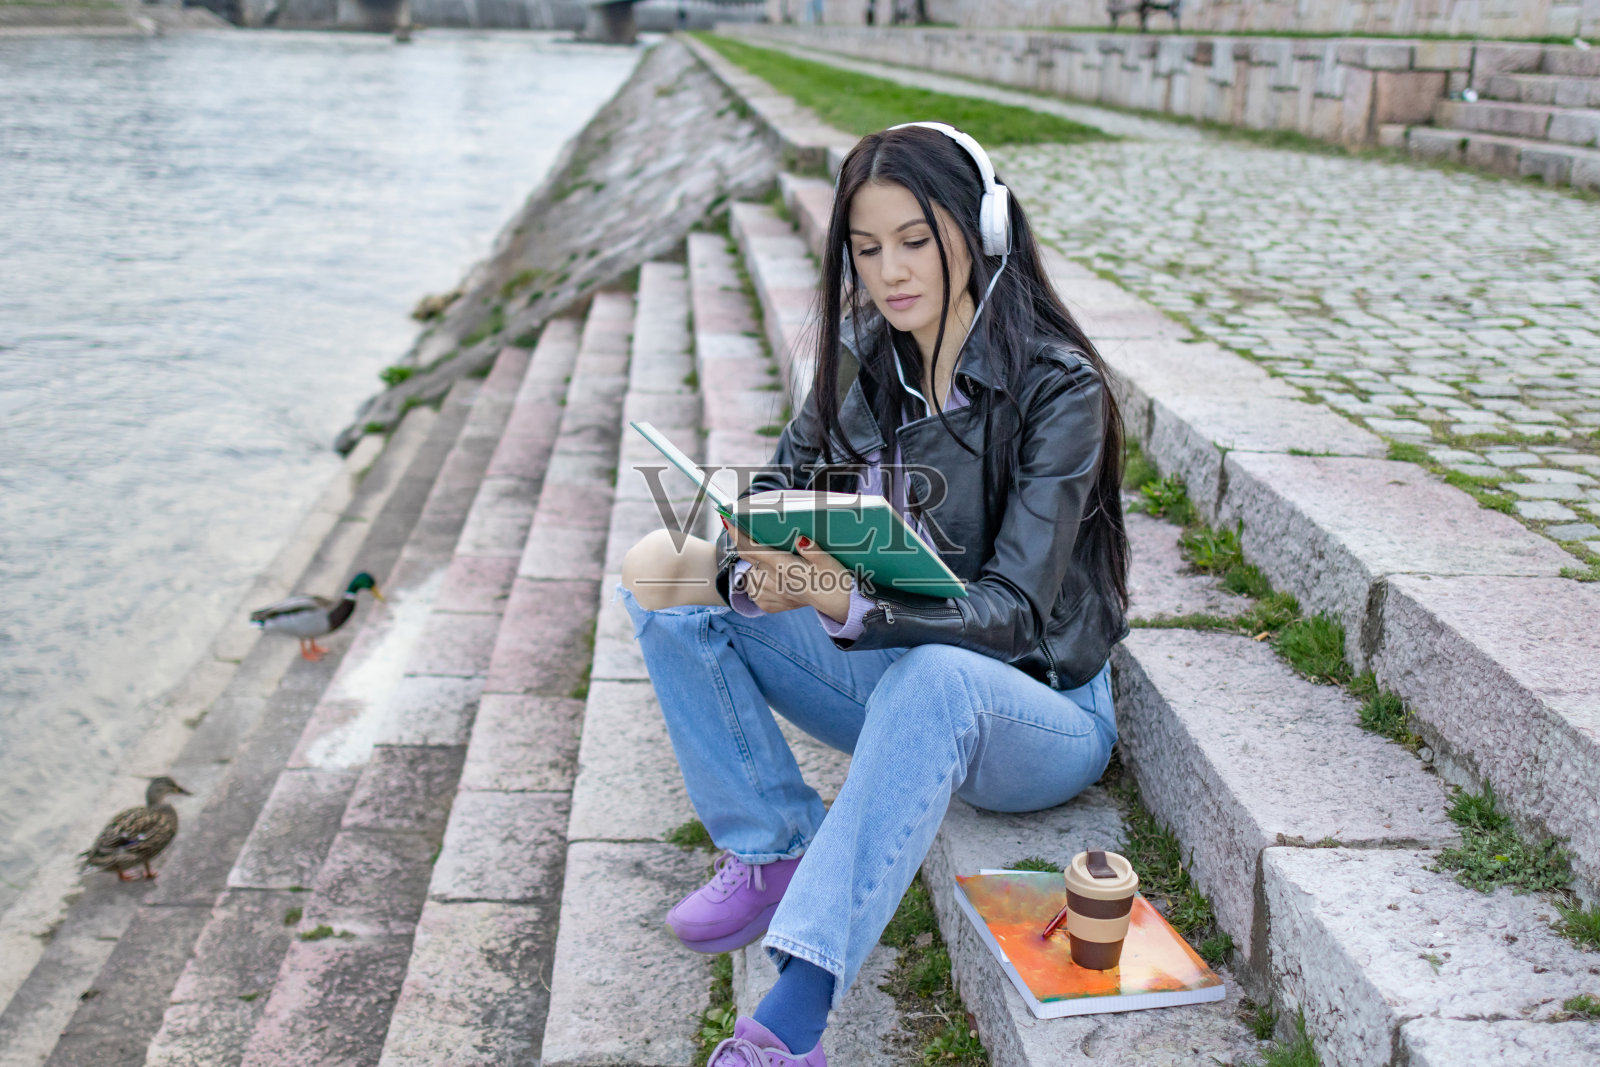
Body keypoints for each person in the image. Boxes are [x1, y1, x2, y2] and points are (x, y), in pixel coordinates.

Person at [618, 122, 1129, 1066]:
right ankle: (773, 848)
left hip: (1037, 710)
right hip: (898, 671)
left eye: (914, 241)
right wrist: (753, 572)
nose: (889, 272)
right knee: (665, 567)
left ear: (981, 233)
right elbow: (770, 493)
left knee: (936, 673)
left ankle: (792, 1020)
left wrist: (848, 604)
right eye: (865, 248)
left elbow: (1015, 611)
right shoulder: (870, 356)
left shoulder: (1061, 392)